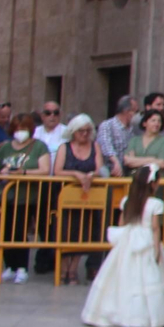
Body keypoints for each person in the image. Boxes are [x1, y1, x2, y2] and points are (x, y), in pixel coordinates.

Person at [81, 167, 164, 327]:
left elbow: (121, 223)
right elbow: (155, 228)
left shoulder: (127, 201)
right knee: (151, 275)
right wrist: (157, 250)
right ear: (153, 184)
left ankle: (119, 311)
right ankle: (151, 315)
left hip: (128, 239)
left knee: (123, 274)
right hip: (146, 239)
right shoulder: (156, 203)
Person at [0, 112, 53, 282]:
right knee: (5, 232)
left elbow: (44, 169)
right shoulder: (6, 148)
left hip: (29, 197)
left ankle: (21, 267)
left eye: (25, 129)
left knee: (20, 232)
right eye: (18, 129)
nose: (21, 132)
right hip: (8, 196)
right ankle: (9, 266)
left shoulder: (39, 146)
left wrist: (24, 172)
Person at [53, 114, 107, 282]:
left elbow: (99, 168)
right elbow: (58, 170)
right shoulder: (65, 147)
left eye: (87, 131)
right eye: (80, 131)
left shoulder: (95, 146)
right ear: (73, 132)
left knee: (83, 231)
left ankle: (73, 269)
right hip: (67, 197)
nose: (84, 134)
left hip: (88, 196)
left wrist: (92, 174)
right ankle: (62, 269)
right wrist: (76, 174)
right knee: (65, 231)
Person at [95, 96, 137, 176]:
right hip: (110, 170)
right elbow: (106, 147)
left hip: (128, 171)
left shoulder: (133, 130)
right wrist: (116, 162)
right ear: (126, 111)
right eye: (134, 111)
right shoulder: (107, 125)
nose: (136, 115)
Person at [122, 108, 164, 175]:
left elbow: (163, 163)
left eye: (159, 121)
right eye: (153, 120)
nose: (156, 123)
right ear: (144, 123)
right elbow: (127, 161)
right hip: (135, 179)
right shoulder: (134, 140)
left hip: (155, 179)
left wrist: (135, 160)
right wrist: (151, 159)